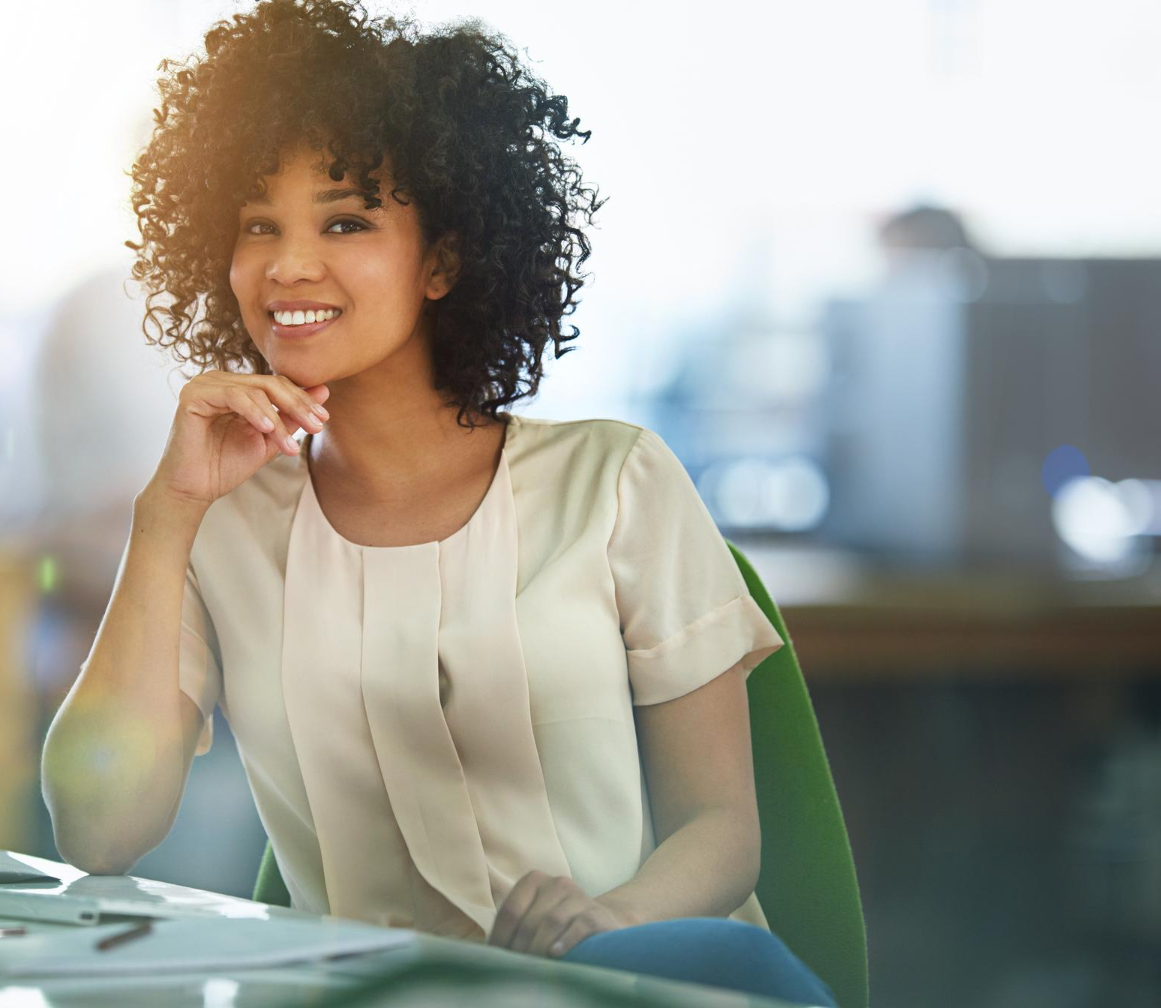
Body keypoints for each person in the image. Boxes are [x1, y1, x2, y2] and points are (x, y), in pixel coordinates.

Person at [41, 2, 838, 1004]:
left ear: (444, 261)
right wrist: (165, 515)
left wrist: (608, 925)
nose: (289, 264)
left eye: (345, 220)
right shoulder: (222, 530)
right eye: (257, 225)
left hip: (627, 985)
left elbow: (723, 831)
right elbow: (98, 831)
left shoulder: (615, 481)